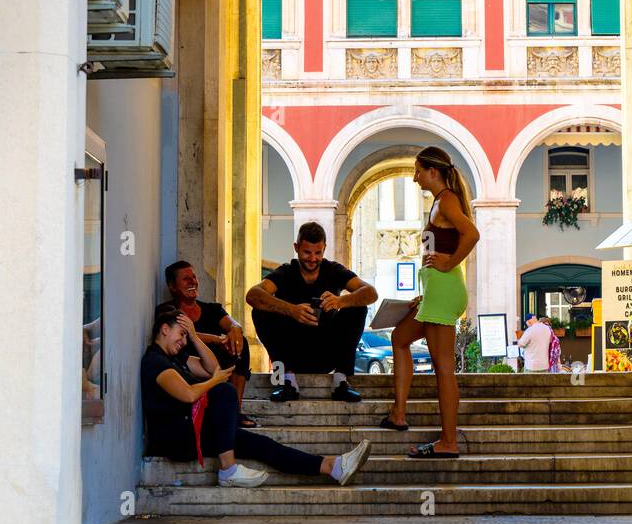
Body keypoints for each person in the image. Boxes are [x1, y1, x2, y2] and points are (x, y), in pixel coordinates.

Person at [141, 304, 372, 488]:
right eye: (180, 334)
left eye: (185, 336)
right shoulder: (155, 362)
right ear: (164, 329)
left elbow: (211, 368)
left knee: (261, 444)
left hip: (194, 432)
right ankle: (228, 469)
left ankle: (333, 466)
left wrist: (194, 337)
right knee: (224, 391)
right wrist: (215, 382)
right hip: (175, 441)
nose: (182, 341)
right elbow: (190, 394)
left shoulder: (175, 358)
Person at [385, 147, 480, 458]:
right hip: (436, 293)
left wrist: (450, 262)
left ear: (433, 172)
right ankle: (398, 414)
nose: (414, 177)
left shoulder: (448, 200)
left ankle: (449, 442)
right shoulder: (440, 203)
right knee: (399, 337)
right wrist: (425, 293)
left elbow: (472, 234)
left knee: (443, 368)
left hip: (445, 290)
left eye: (418, 171)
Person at [246, 222, 377, 402]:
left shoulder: (333, 270)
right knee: (260, 312)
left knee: (358, 308)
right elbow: (253, 295)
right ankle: (287, 381)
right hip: (293, 353)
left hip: (327, 351)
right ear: (296, 248)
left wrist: (340, 301)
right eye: (307, 252)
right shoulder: (286, 272)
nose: (313, 258)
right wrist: (291, 310)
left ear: (324, 249)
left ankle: (341, 382)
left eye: (318, 253)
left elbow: (371, 293)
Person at [165, 260, 256, 427]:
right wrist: (217, 339)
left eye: (194, 277)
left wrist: (235, 330)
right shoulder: (167, 312)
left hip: (218, 365)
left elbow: (233, 324)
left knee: (239, 343)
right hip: (189, 367)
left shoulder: (212, 309)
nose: (193, 281)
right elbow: (182, 333)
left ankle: (235, 411)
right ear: (172, 286)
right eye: (186, 279)